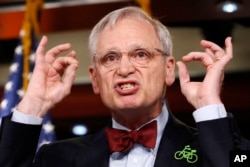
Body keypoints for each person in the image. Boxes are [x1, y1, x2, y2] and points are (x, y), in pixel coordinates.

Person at [0, 6, 249, 167]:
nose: (124, 69)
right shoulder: (56, 159)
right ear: (95, 79)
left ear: (168, 69)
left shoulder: (218, 148)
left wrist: (209, 108)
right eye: (110, 58)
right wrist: (32, 107)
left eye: (140, 54)